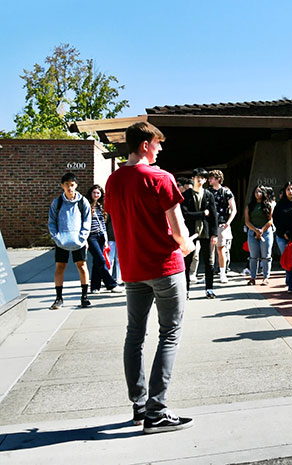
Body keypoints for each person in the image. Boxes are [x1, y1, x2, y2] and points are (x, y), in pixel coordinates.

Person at [105, 121, 195, 433]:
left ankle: (139, 406)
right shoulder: (161, 178)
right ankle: (157, 409)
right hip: (165, 267)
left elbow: (116, 220)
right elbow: (178, 229)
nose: (159, 149)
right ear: (145, 144)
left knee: (135, 334)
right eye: (157, 143)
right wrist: (188, 245)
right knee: (169, 333)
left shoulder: (113, 181)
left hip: (132, 269)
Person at [48, 172, 92, 309]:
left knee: (82, 266)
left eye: (72, 185)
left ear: (76, 185)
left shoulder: (83, 201)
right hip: (62, 242)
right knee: (60, 267)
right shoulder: (57, 202)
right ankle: (58, 298)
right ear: (62, 186)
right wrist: (57, 238)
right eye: (67, 185)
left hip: (78, 241)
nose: (70, 188)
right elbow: (52, 222)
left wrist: (82, 238)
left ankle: (84, 297)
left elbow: (87, 221)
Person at [181, 168, 218, 298]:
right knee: (188, 261)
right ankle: (185, 290)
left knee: (209, 261)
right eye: (197, 177)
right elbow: (185, 214)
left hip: (206, 232)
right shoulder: (186, 196)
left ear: (206, 180)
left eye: (202, 177)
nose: (199, 179)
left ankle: (209, 289)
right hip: (190, 232)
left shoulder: (209, 195)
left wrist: (215, 234)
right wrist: (202, 214)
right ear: (193, 178)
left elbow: (213, 216)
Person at [86, 184, 120, 294]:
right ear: (90, 193)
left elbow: (103, 223)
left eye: (98, 193)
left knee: (97, 262)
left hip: (101, 235)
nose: (96, 195)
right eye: (94, 192)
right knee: (101, 260)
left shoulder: (101, 206)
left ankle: (95, 287)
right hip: (91, 236)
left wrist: (105, 239)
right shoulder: (86, 205)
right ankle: (111, 284)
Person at [208, 170, 236, 283]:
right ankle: (209, 274)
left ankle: (222, 273)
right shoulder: (207, 192)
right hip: (210, 223)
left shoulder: (226, 192)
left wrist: (228, 222)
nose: (209, 180)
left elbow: (233, 209)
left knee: (221, 249)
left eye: (211, 178)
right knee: (210, 250)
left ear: (217, 179)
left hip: (222, 223)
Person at [244, 185, 275, 286]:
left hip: (265, 231)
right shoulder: (250, 206)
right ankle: (253, 277)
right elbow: (247, 221)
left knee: (266, 256)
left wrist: (262, 230)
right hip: (252, 231)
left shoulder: (268, 205)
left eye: (260, 192)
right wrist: (255, 230)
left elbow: (270, 220)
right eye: (256, 192)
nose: (258, 194)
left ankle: (266, 277)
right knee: (253, 256)